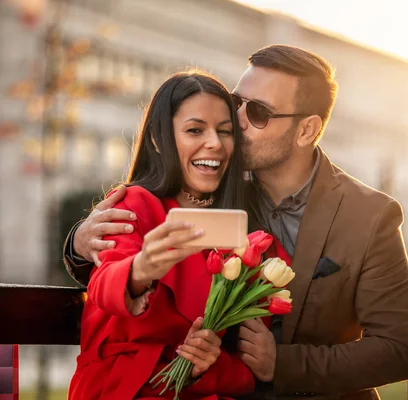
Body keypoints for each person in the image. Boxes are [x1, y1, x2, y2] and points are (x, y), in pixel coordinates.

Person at [64, 45, 408, 400]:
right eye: (237, 102)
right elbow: (136, 263)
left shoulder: (370, 215)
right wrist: (79, 242)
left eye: (259, 112)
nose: (238, 120)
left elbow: (398, 350)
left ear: (306, 130)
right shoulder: (209, 190)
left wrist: (281, 364)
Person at [67, 71, 290, 399]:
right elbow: (104, 284)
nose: (214, 143)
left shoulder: (247, 238)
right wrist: (140, 270)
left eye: (225, 132)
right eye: (195, 130)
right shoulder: (134, 203)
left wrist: (208, 364)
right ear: (159, 138)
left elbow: (246, 373)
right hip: (122, 389)